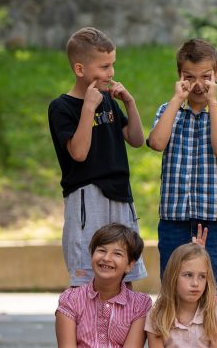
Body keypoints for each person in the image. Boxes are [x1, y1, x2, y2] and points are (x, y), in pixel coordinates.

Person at [147, 38, 217, 348]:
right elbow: (156, 142)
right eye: (190, 77)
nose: (199, 84)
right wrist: (177, 100)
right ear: (179, 77)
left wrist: (213, 104)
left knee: (214, 295)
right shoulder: (168, 109)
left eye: (206, 76)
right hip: (174, 220)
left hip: (213, 222)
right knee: (171, 292)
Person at [48, 27, 148, 285]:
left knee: (123, 272)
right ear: (80, 69)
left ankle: (123, 313)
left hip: (120, 194)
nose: (111, 72)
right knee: (86, 276)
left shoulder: (108, 101)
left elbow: (136, 140)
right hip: (87, 197)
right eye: (104, 66)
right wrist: (89, 108)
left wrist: (129, 103)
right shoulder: (61, 107)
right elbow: (79, 152)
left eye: (112, 65)